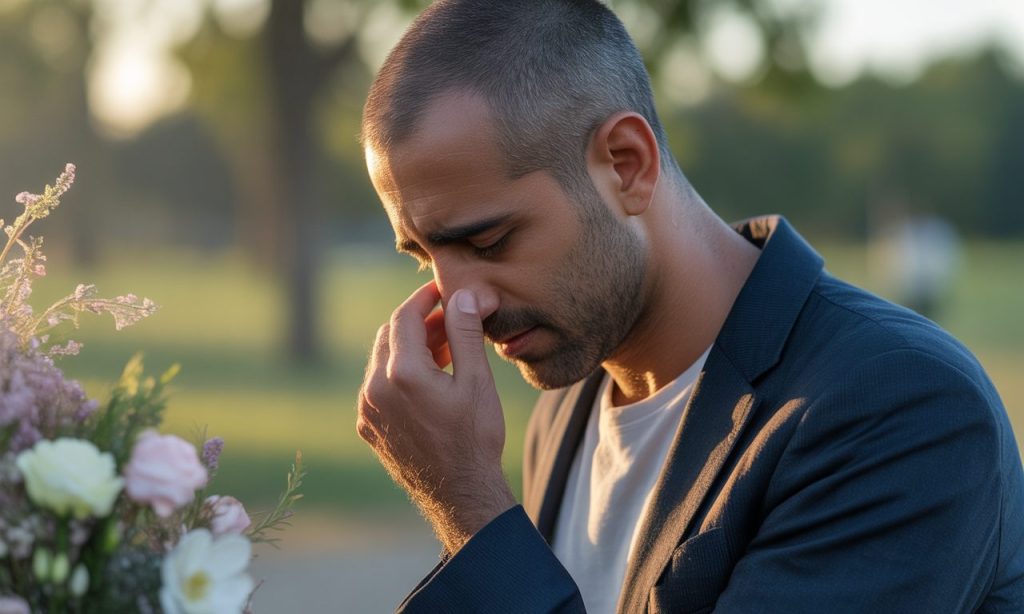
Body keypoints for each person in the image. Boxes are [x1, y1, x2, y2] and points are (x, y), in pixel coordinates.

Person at [355, 0, 1024, 612]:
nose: (463, 303)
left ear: (626, 164)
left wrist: (469, 506)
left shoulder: (900, 406)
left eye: (488, 241)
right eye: (422, 256)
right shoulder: (568, 404)